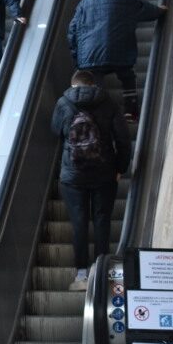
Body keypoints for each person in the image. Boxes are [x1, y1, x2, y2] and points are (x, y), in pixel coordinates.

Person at [51, 70, 132, 290]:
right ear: (92, 84)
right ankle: (102, 274)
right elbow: (123, 139)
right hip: (104, 173)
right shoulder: (108, 102)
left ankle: (81, 276)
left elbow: (56, 131)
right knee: (102, 220)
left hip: (72, 175)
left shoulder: (63, 103)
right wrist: (120, 168)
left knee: (79, 223)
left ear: (73, 84)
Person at [67, 0, 167, 121]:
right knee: (127, 77)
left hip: (90, 56)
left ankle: (99, 117)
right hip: (120, 53)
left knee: (96, 86)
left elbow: (72, 32)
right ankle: (130, 112)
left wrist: (77, 60)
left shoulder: (84, 3)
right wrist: (161, 11)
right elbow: (148, 11)